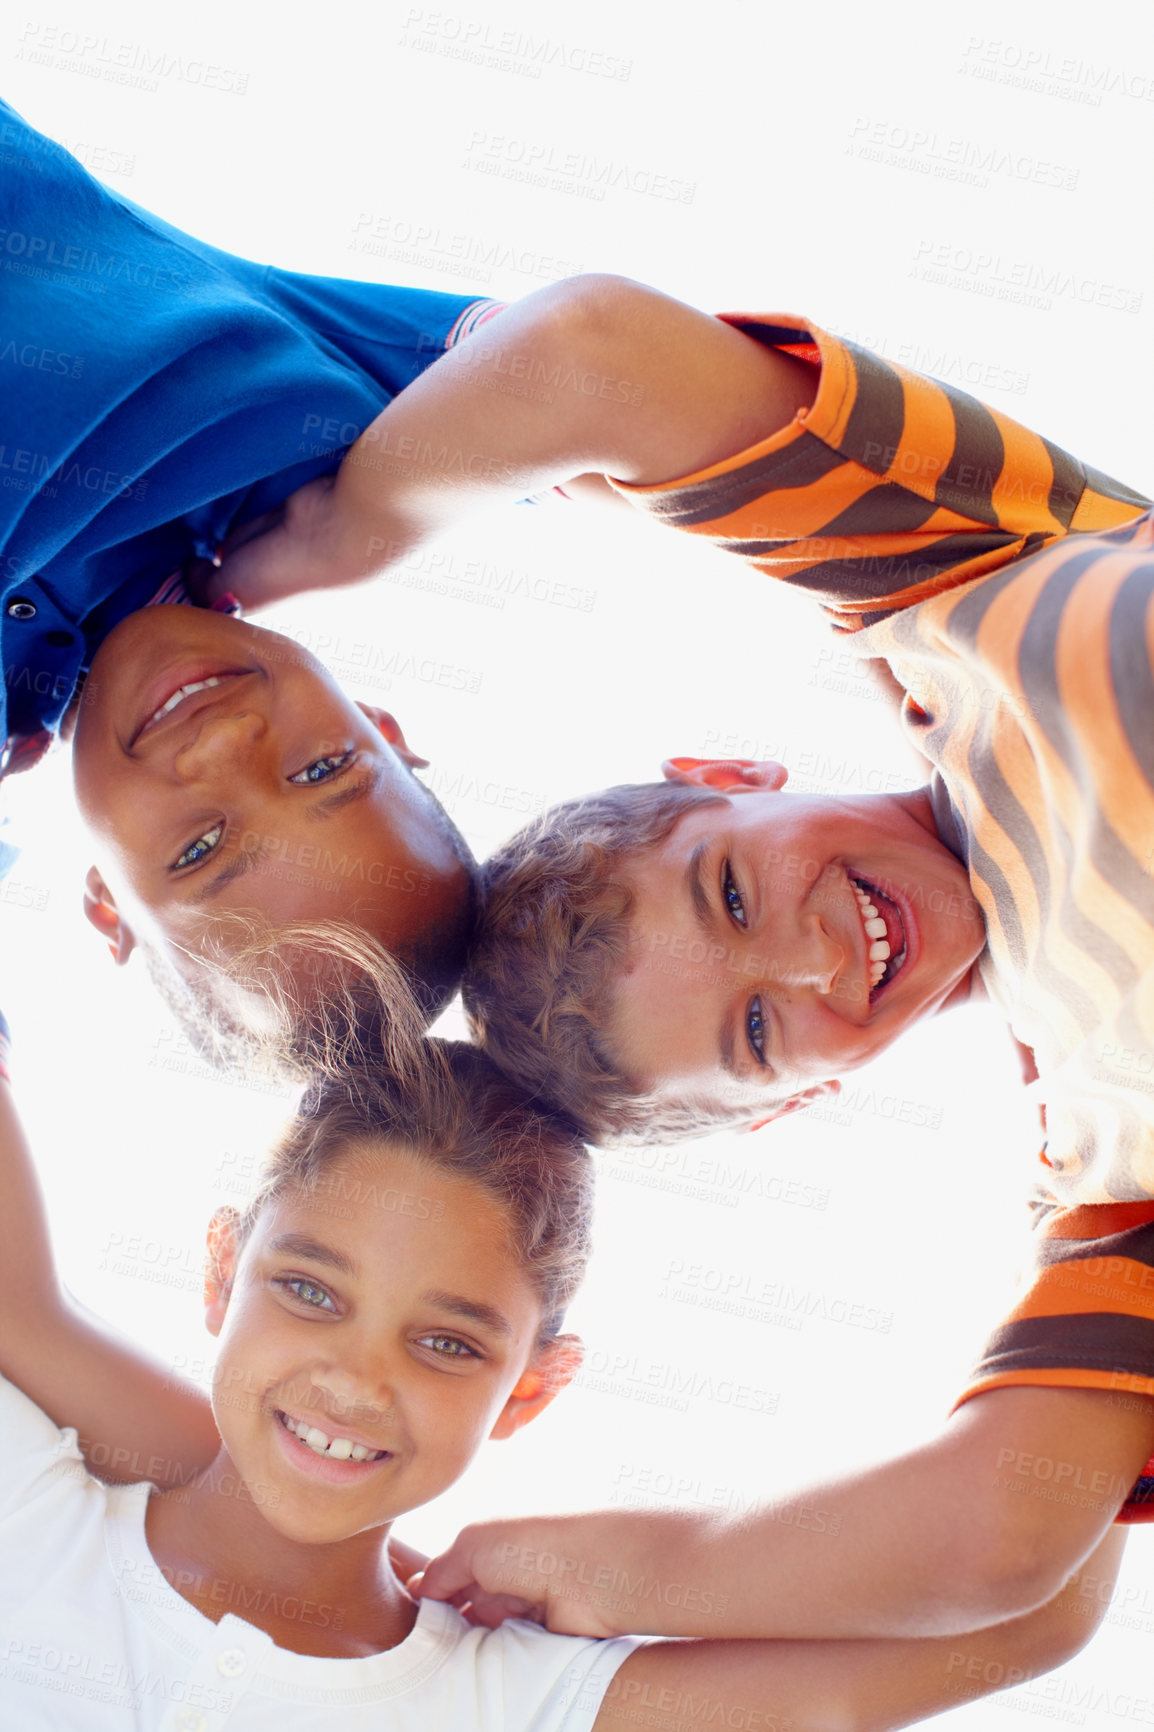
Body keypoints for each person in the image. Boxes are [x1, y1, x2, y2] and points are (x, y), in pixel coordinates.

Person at [209, 269, 1154, 1645]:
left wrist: (289, 556)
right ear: (799, 1100)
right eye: (761, 1034)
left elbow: (594, 351)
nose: (815, 956)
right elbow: (999, 1531)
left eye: (727, 890)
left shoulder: (946, 584)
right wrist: (644, 1571)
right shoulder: (1103, 1167)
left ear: (725, 772)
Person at [0, 1023, 1127, 1726]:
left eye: (446, 1342)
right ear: (218, 1270)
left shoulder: (519, 1700)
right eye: (308, 1289)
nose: (353, 1379)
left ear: (531, 1388)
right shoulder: (29, 1500)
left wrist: (1108, 1162)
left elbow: (1020, 1626)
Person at [2, 95, 492, 1049]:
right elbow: (625, 394)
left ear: (106, 899)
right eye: (320, 768)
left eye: (197, 849)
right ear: (381, 729)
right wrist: (356, 526)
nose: (223, 744)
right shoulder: (327, 429)